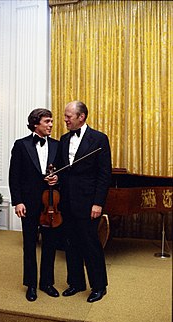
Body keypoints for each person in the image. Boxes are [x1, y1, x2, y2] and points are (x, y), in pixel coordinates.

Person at [57, 100, 112, 303]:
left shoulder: (99, 139)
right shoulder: (63, 139)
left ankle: (99, 286)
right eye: (65, 116)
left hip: (89, 203)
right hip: (67, 202)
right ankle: (76, 283)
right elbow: (64, 171)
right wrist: (56, 178)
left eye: (68, 116)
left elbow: (104, 175)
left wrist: (98, 203)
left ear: (81, 117)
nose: (65, 120)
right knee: (70, 244)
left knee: (90, 244)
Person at [9, 108, 60, 302]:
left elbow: (64, 172)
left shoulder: (57, 145)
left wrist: (57, 178)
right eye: (47, 121)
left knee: (50, 243)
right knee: (29, 244)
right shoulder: (21, 145)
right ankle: (31, 284)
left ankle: (46, 283)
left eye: (52, 121)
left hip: (51, 203)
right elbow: (14, 175)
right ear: (35, 123)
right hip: (28, 203)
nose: (51, 125)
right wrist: (18, 201)